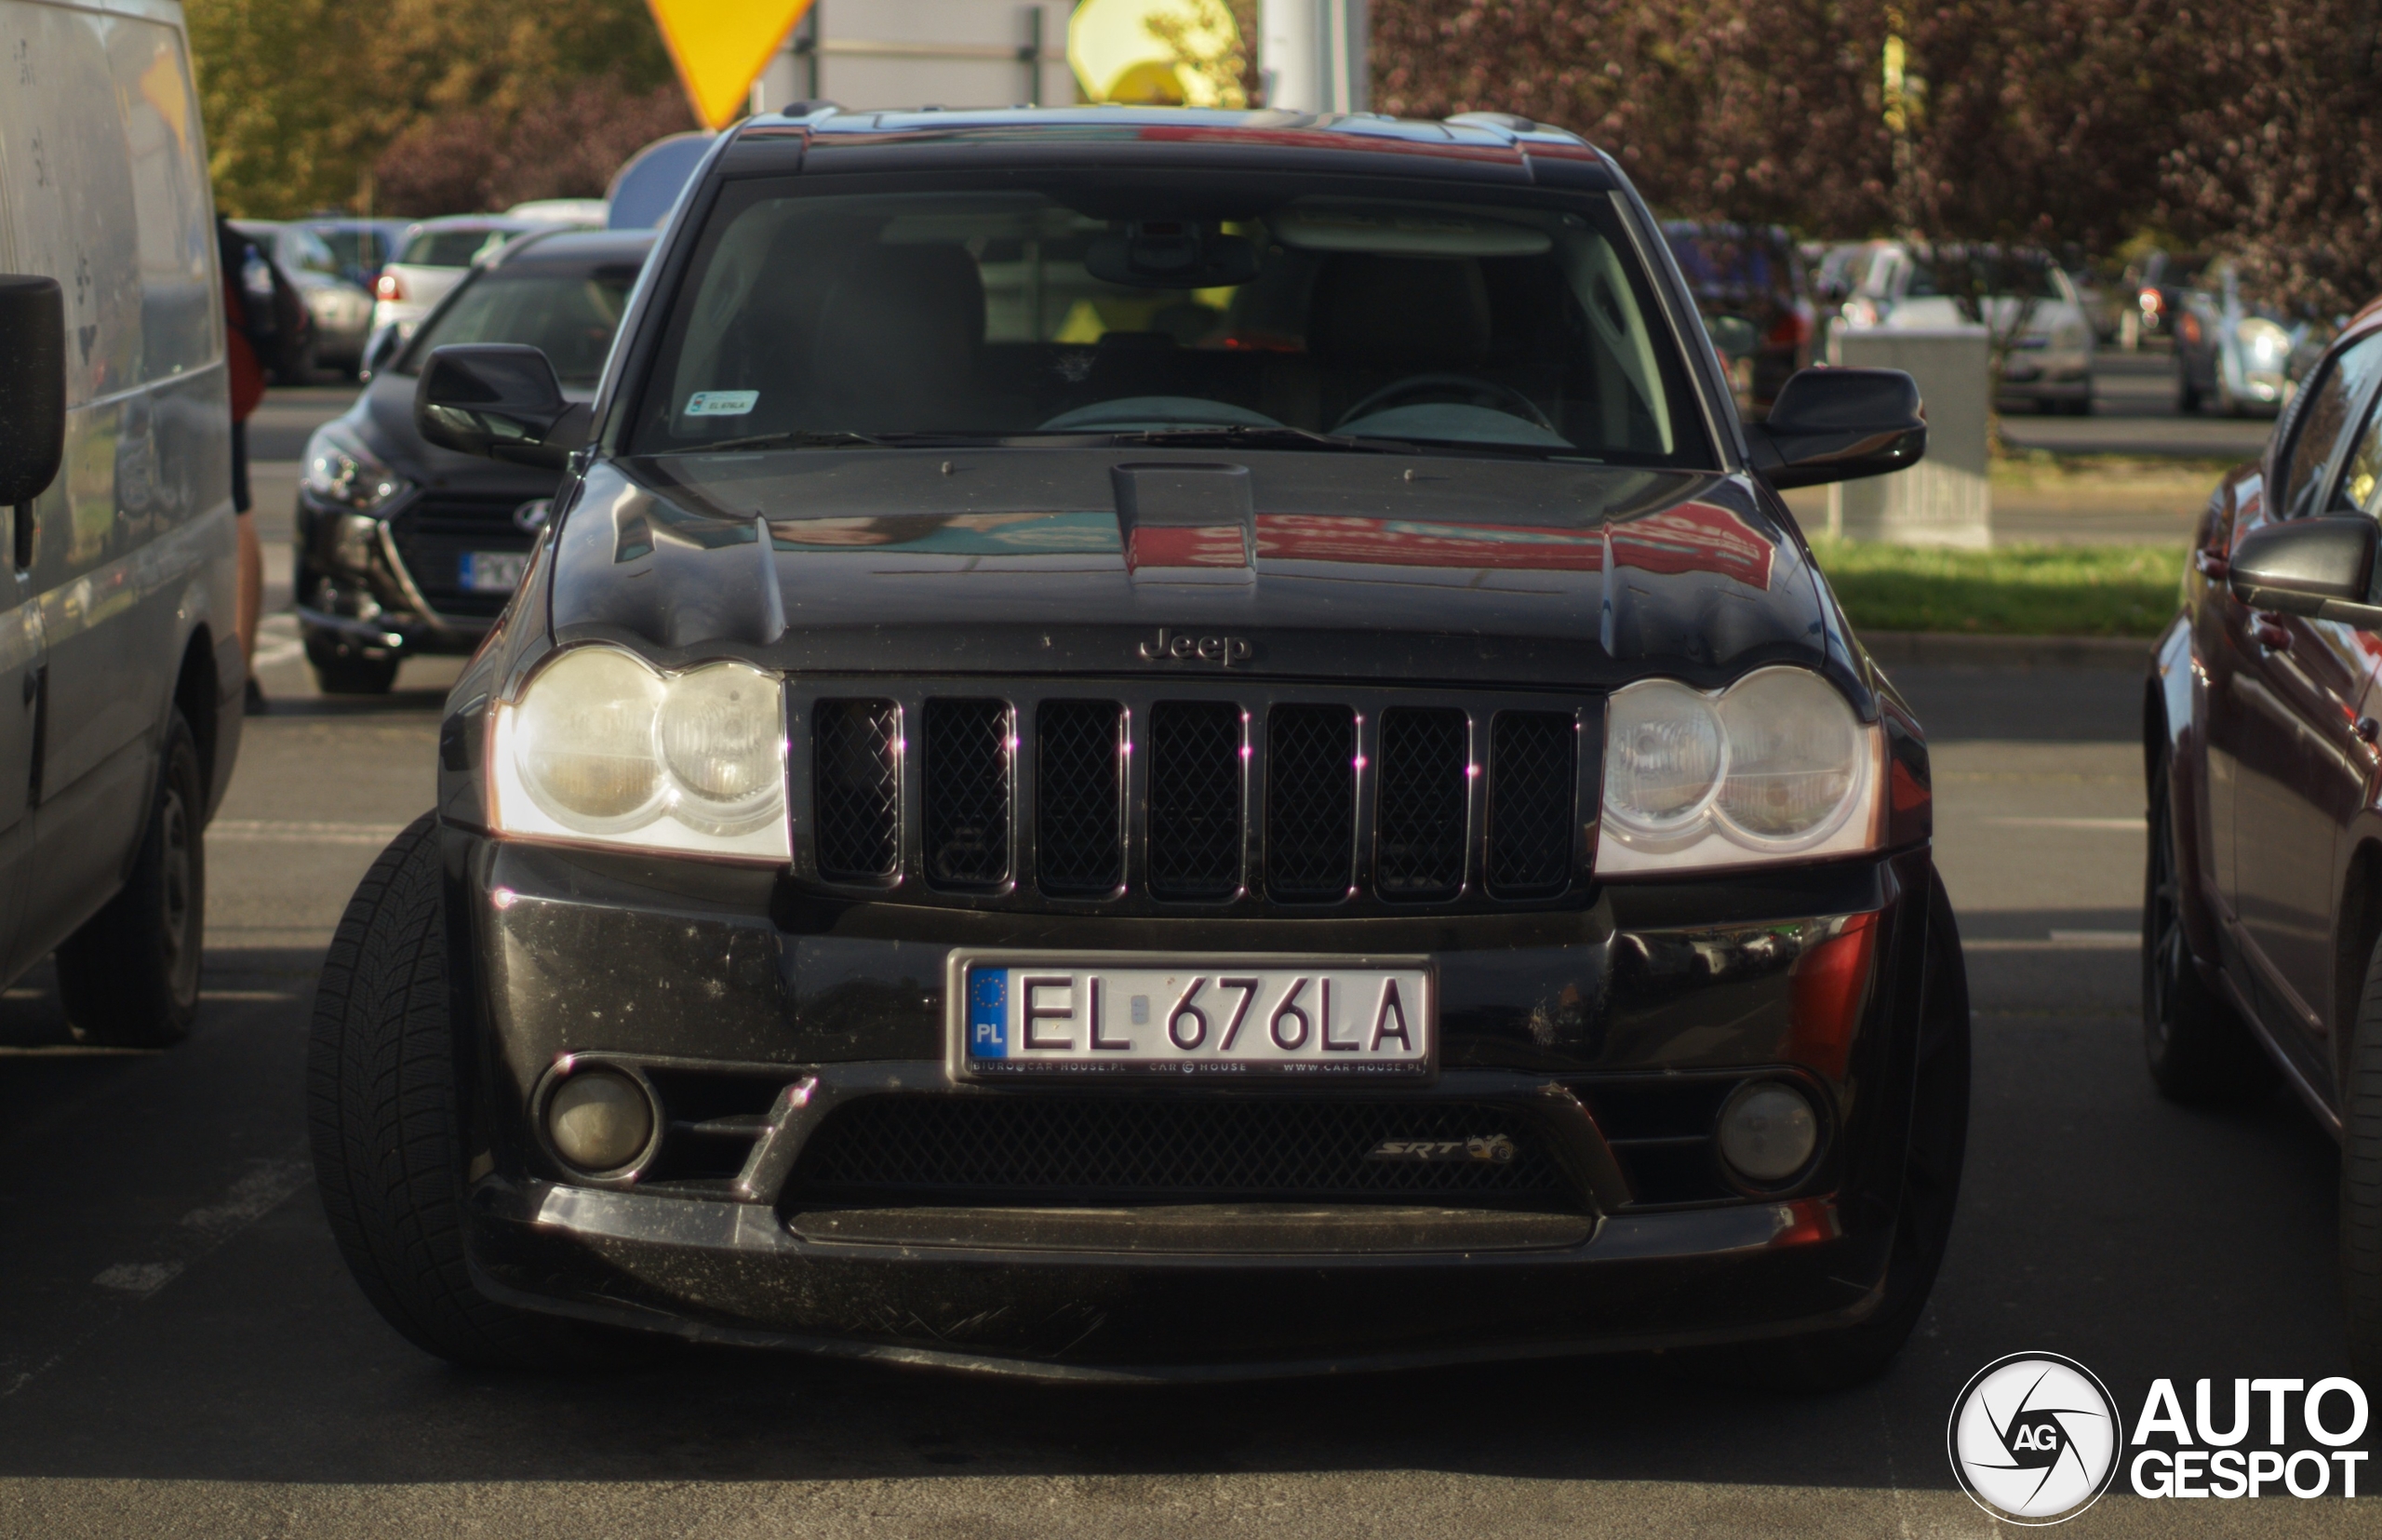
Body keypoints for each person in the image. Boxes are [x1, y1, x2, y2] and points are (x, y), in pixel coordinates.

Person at [217, 218, 273, 710]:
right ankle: (244, 668)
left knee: (238, 521)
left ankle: (240, 670)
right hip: (232, 393)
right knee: (240, 520)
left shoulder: (194, 242)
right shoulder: (232, 243)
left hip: (217, 395)